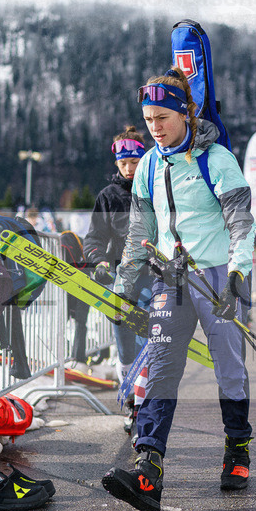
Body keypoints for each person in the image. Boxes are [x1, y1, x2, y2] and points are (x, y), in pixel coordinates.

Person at [101, 67, 255, 511]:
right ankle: (148, 467)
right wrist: (123, 288)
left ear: (186, 112)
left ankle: (238, 448)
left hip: (217, 277)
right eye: (149, 120)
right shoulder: (149, 163)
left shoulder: (215, 159)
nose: (156, 128)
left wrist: (238, 277)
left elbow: (241, 223)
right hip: (171, 279)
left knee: (229, 366)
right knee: (163, 366)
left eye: (163, 118)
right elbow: (138, 232)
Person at [84, 125, 154, 383]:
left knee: (144, 331)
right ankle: (128, 384)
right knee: (123, 332)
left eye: (134, 162)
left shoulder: (154, 190)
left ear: (143, 158)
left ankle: (143, 387)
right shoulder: (108, 196)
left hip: (151, 272)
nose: (129, 169)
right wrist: (98, 260)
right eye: (123, 163)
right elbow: (95, 236)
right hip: (121, 274)